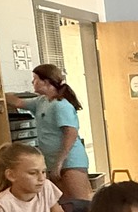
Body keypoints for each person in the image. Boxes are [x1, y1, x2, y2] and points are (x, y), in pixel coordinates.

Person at [6, 64, 92, 201]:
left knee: (80, 203)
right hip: (51, 161)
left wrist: (59, 162)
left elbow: (71, 133)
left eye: (35, 79)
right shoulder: (41, 101)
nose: (32, 82)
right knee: (64, 205)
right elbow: (17, 102)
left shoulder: (60, 105)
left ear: (45, 82)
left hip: (69, 162)